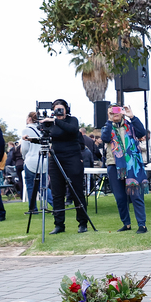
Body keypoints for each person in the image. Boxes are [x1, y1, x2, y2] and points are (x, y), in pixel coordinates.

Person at [101, 105, 149, 233]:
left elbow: (142, 132)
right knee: (120, 197)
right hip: (114, 164)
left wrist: (131, 116)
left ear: (122, 112)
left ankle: (142, 224)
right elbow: (105, 138)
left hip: (132, 164)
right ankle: (126, 223)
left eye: (117, 110)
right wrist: (109, 120)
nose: (114, 113)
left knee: (136, 195)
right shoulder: (107, 127)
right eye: (111, 111)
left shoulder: (131, 125)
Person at [45, 99, 89, 234]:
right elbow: (45, 136)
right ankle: (59, 224)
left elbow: (72, 130)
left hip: (72, 157)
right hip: (55, 158)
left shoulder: (72, 120)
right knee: (57, 192)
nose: (59, 112)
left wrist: (56, 121)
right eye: (56, 110)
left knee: (76, 190)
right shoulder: (50, 123)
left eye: (61, 109)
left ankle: (82, 223)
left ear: (66, 110)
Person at [21, 112, 52, 211]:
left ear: (29, 118)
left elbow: (25, 148)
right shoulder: (42, 129)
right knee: (44, 186)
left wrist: (24, 157)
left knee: (31, 186)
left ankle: (33, 208)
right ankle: (55, 203)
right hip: (44, 160)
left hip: (31, 160)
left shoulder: (26, 130)